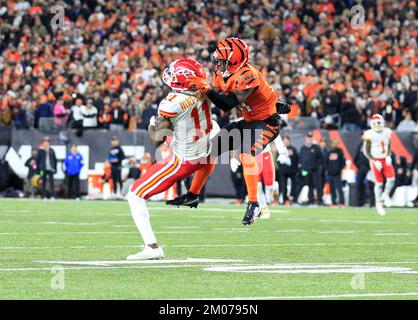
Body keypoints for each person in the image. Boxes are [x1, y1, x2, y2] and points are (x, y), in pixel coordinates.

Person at [171, 37, 291, 225]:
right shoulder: (223, 74)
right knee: (210, 151)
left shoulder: (247, 75)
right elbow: (218, 95)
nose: (217, 63)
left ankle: (254, 203)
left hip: (267, 123)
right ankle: (193, 194)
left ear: (232, 60)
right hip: (250, 120)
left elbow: (227, 104)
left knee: (245, 152)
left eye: (221, 59)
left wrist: (207, 88)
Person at [126, 58, 216, 260]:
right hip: (207, 149)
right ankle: (194, 192)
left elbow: (158, 142)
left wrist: (151, 125)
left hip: (185, 160)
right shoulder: (207, 90)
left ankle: (152, 247)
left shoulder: (170, 104)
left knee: (134, 195)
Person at [362, 114, 395, 215]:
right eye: (375, 123)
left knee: (391, 179)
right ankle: (378, 203)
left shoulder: (387, 131)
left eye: (379, 123)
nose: (377, 125)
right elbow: (366, 151)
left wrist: (388, 155)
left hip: (385, 158)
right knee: (379, 183)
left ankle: (385, 195)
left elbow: (388, 144)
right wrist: (374, 161)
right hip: (375, 159)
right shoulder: (369, 134)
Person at [296, 132, 324, 205]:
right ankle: (310, 200)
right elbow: (300, 159)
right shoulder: (303, 148)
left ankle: (319, 201)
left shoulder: (316, 147)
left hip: (315, 171)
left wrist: (315, 165)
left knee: (318, 186)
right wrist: (302, 169)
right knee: (310, 185)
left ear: (312, 138)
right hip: (306, 171)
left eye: (310, 137)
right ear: (306, 138)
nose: (309, 139)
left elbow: (321, 158)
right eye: (308, 137)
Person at [278, 135, 299, 205]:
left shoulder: (293, 149)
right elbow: (277, 160)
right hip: (284, 171)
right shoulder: (280, 149)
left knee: (294, 186)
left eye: (287, 140)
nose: (286, 142)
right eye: (284, 140)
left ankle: (294, 199)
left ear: (289, 141)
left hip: (292, 171)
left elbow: (296, 159)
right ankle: (284, 200)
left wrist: (295, 169)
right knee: (283, 186)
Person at [326, 138, 346, 207]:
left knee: (339, 188)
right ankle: (333, 202)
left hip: (337, 174)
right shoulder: (329, 152)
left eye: (336, 143)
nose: (335, 144)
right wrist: (328, 170)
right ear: (331, 144)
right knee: (332, 189)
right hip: (330, 173)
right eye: (333, 143)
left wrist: (339, 169)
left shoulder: (340, 152)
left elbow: (343, 162)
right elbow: (326, 162)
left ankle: (341, 202)